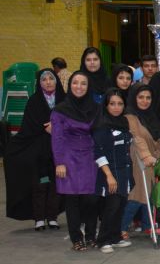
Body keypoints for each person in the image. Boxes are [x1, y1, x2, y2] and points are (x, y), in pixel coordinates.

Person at [4, 68, 65, 229]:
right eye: (44, 80)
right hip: (39, 151)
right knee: (40, 185)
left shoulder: (63, 99)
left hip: (59, 151)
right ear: (39, 83)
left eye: (51, 79)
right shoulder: (33, 101)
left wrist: (56, 127)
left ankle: (52, 217)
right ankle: (39, 218)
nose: (48, 82)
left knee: (56, 185)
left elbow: (71, 120)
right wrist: (44, 128)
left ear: (56, 81)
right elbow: (28, 125)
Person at [51, 71, 100, 251]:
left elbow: (100, 132)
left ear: (88, 87)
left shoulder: (96, 108)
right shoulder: (60, 110)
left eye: (83, 83)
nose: (79, 87)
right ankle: (76, 239)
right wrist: (59, 162)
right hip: (68, 157)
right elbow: (57, 138)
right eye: (75, 83)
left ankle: (91, 235)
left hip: (90, 157)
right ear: (69, 85)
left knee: (91, 199)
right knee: (72, 200)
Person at [92, 89, 134, 254]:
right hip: (110, 172)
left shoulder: (124, 122)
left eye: (120, 104)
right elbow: (98, 152)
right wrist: (109, 175)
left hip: (125, 171)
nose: (116, 107)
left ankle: (115, 237)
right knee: (112, 206)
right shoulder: (101, 125)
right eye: (112, 104)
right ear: (106, 105)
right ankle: (103, 240)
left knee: (121, 205)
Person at [122, 84, 160, 239]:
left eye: (148, 98)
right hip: (138, 160)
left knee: (148, 192)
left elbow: (156, 140)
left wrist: (157, 156)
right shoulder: (130, 116)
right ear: (134, 98)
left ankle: (147, 225)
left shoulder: (151, 116)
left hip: (151, 160)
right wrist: (147, 156)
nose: (145, 101)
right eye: (141, 97)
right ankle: (121, 227)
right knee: (138, 194)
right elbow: (136, 137)